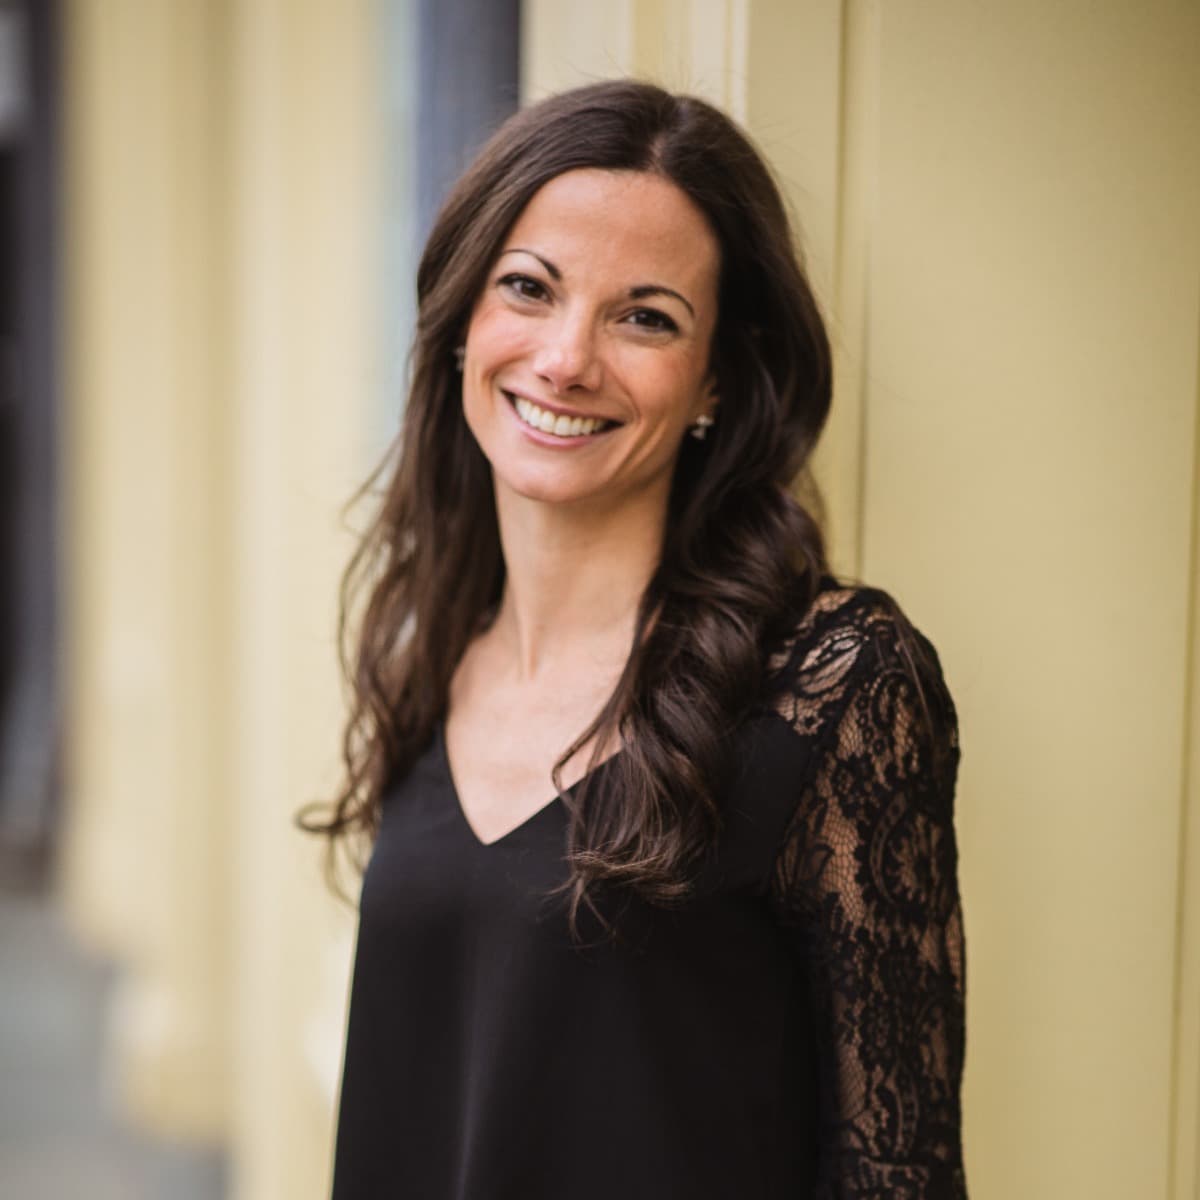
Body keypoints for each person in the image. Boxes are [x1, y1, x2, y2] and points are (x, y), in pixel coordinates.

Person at [311, 79, 967, 1199]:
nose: (567, 358)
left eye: (644, 316)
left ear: (714, 378)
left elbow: (897, 1172)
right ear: (466, 317)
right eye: (530, 288)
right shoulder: (429, 651)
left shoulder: (832, 686)